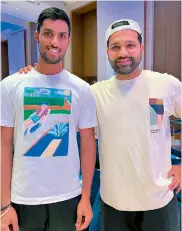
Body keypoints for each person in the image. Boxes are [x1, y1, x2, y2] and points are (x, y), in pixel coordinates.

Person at [19, 19, 181, 231]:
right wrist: (35, 77)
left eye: (130, 45)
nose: (123, 52)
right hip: (113, 205)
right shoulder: (94, 93)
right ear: (107, 52)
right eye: (115, 47)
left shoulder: (165, 84)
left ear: (141, 47)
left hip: (158, 201)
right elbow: (54, 108)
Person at [1, 7, 96, 231]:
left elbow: (88, 144)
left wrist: (85, 198)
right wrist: (4, 206)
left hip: (69, 196)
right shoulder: (11, 85)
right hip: (23, 198)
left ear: (69, 40)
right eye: (48, 33)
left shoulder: (81, 89)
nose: (55, 42)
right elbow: (4, 145)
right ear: (37, 35)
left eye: (62, 35)